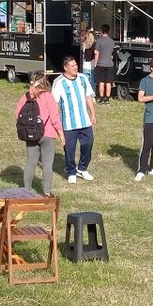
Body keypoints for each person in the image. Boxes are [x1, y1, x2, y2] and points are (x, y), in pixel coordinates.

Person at [52, 55, 97, 184]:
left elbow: (88, 96)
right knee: (70, 149)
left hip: (84, 121)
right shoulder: (59, 82)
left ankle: (82, 168)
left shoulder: (83, 78)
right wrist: (57, 122)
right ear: (65, 68)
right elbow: (55, 103)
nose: (75, 67)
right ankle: (71, 171)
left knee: (88, 144)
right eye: (72, 66)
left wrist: (93, 114)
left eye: (76, 65)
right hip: (69, 123)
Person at [19, 75, 62, 195]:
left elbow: (17, 115)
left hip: (30, 135)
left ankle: (26, 191)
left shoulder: (26, 97)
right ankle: (46, 193)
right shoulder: (48, 97)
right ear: (45, 84)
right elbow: (54, 118)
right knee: (47, 164)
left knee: (30, 163)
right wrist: (61, 133)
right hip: (47, 134)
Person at [93, 24, 115, 104]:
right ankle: (107, 98)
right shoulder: (112, 41)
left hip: (100, 64)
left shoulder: (99, 40)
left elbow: (97, 53)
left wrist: (95, 64)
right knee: (108, 83)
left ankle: (102, 98)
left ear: (102, 31)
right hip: (109, 64)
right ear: (108, 31)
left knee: (101, 82)